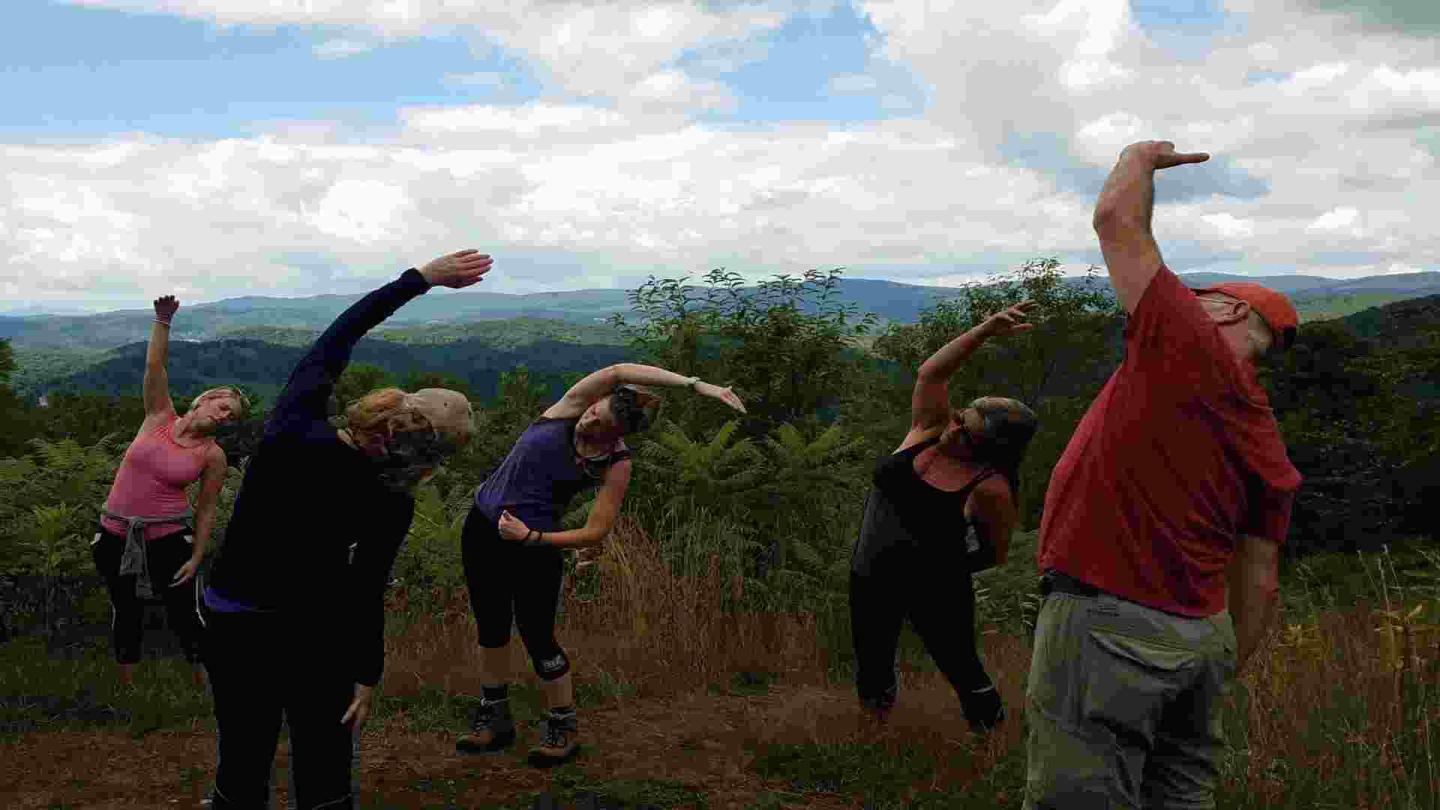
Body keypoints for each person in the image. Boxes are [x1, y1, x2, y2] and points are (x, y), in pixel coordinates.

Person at [1023, 141, 1303, 809]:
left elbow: (1117, 220)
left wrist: (1139, 157)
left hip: (1112, 624)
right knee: (1179, 796)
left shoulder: (1191, 344)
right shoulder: (1263, 435)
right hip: (1203, 641)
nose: (1181, 301)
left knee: (1080, 797)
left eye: (1197, 296)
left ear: (1229, 312)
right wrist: (1221, 663)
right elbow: (1259, 576)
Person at [198, 250, 489, 810]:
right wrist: (366, 673)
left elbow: (339, 336)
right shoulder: (391, 502)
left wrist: (420, 280)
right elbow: (364, 592)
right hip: (319, 638)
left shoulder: (292, 430)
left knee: (243, 751)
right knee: (325, 765)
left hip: (236, 625)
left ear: (390, 406)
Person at [455, 364, 746, 766]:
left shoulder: (615, 464)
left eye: (597, 423)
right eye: (594, 409)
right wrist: (699, 385)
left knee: (538, 635)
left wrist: (532, 538)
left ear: (615, 435)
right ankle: (495, 716)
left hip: (533, 544)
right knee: (490, 626)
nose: (587, 419)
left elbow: (596, 532)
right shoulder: (566, 410)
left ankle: (563, 724)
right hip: (482, 529)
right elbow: (619, 370)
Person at [848, 301, 1039, 732]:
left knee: (962, 668)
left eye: (965, 430)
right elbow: (931, 374)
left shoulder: (989, 486)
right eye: (959, 417)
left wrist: (936, 569)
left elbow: (995, 551)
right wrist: (986, 329)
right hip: (869, 574)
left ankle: (990, 743)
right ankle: (871, 740)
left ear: (989, 447)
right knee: (872, 663)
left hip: (936, 590)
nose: (953, 427)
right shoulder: (929, 427)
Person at [92, 294, 245, 687]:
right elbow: (154, 365)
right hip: (114, 534)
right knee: (125, 609)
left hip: (168, 540)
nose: (224, 416)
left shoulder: (213, 455)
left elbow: (207, 509)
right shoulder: (159, 416)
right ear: (207, 399)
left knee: (185, 611)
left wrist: (196, 557)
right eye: (223, 406)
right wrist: (163, 319)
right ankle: (128, 690)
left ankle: (205, 686)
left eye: (231, 416)